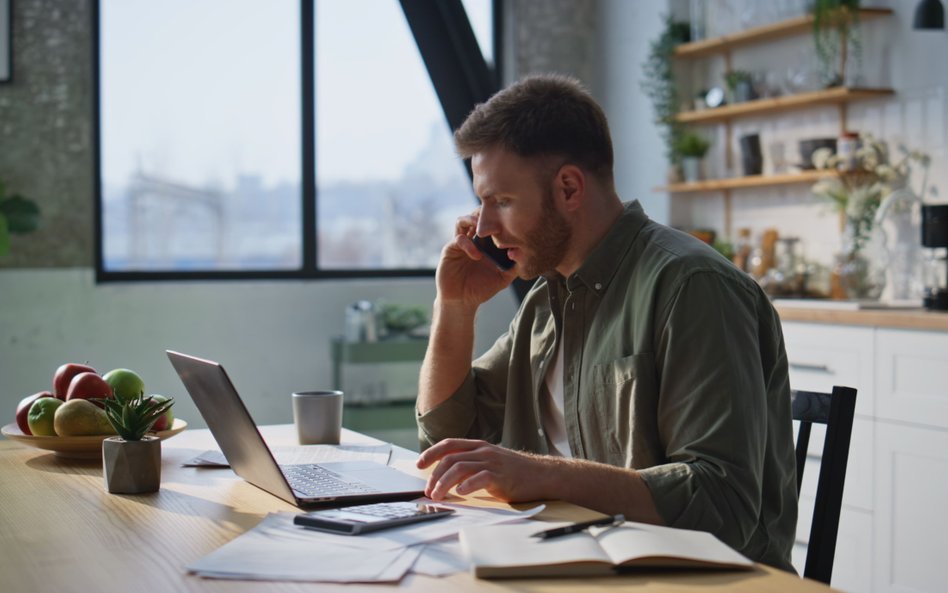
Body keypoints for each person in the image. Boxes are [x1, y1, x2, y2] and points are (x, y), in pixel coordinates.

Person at [414, 74, 797, 572]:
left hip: (697, 581)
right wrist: (455, 306)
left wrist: (543, 474)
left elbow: (721, 505)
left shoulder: (693, 286)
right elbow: (445, 439)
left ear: (569, 187)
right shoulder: (544, 302)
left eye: (502, 201)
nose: (482, 227)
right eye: (481, 202)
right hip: (578, 562)